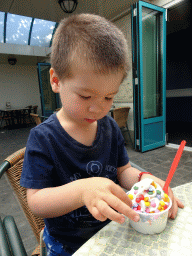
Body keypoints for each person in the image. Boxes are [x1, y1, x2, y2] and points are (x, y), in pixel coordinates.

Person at [20, 13, 184, 256]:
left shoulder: (109, 127)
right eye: (85, 96)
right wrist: (82, 191)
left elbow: (123, 171)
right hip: (68, 246)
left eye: (109, 97)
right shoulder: (44, 137)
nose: (98, 108)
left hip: (114, 231)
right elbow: (36, 201)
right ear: (56, 80)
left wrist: (145, 180)